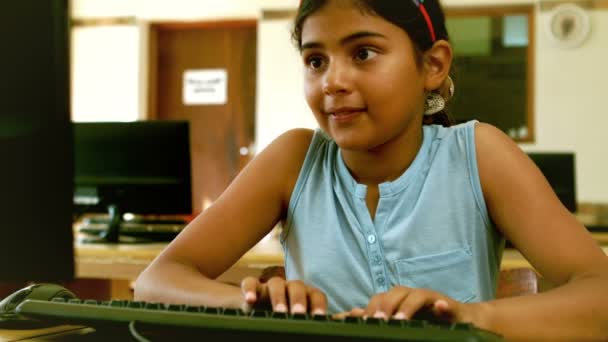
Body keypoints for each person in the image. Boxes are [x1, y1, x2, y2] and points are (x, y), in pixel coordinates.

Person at [134, 0, 608, 340]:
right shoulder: (293, 161)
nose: (332, 82)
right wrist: (257, 308)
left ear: (433, 65)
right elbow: (157, 281)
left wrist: (469, 318)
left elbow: (599, 296)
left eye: (362, 53)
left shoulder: (477, 155)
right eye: (315, 60)